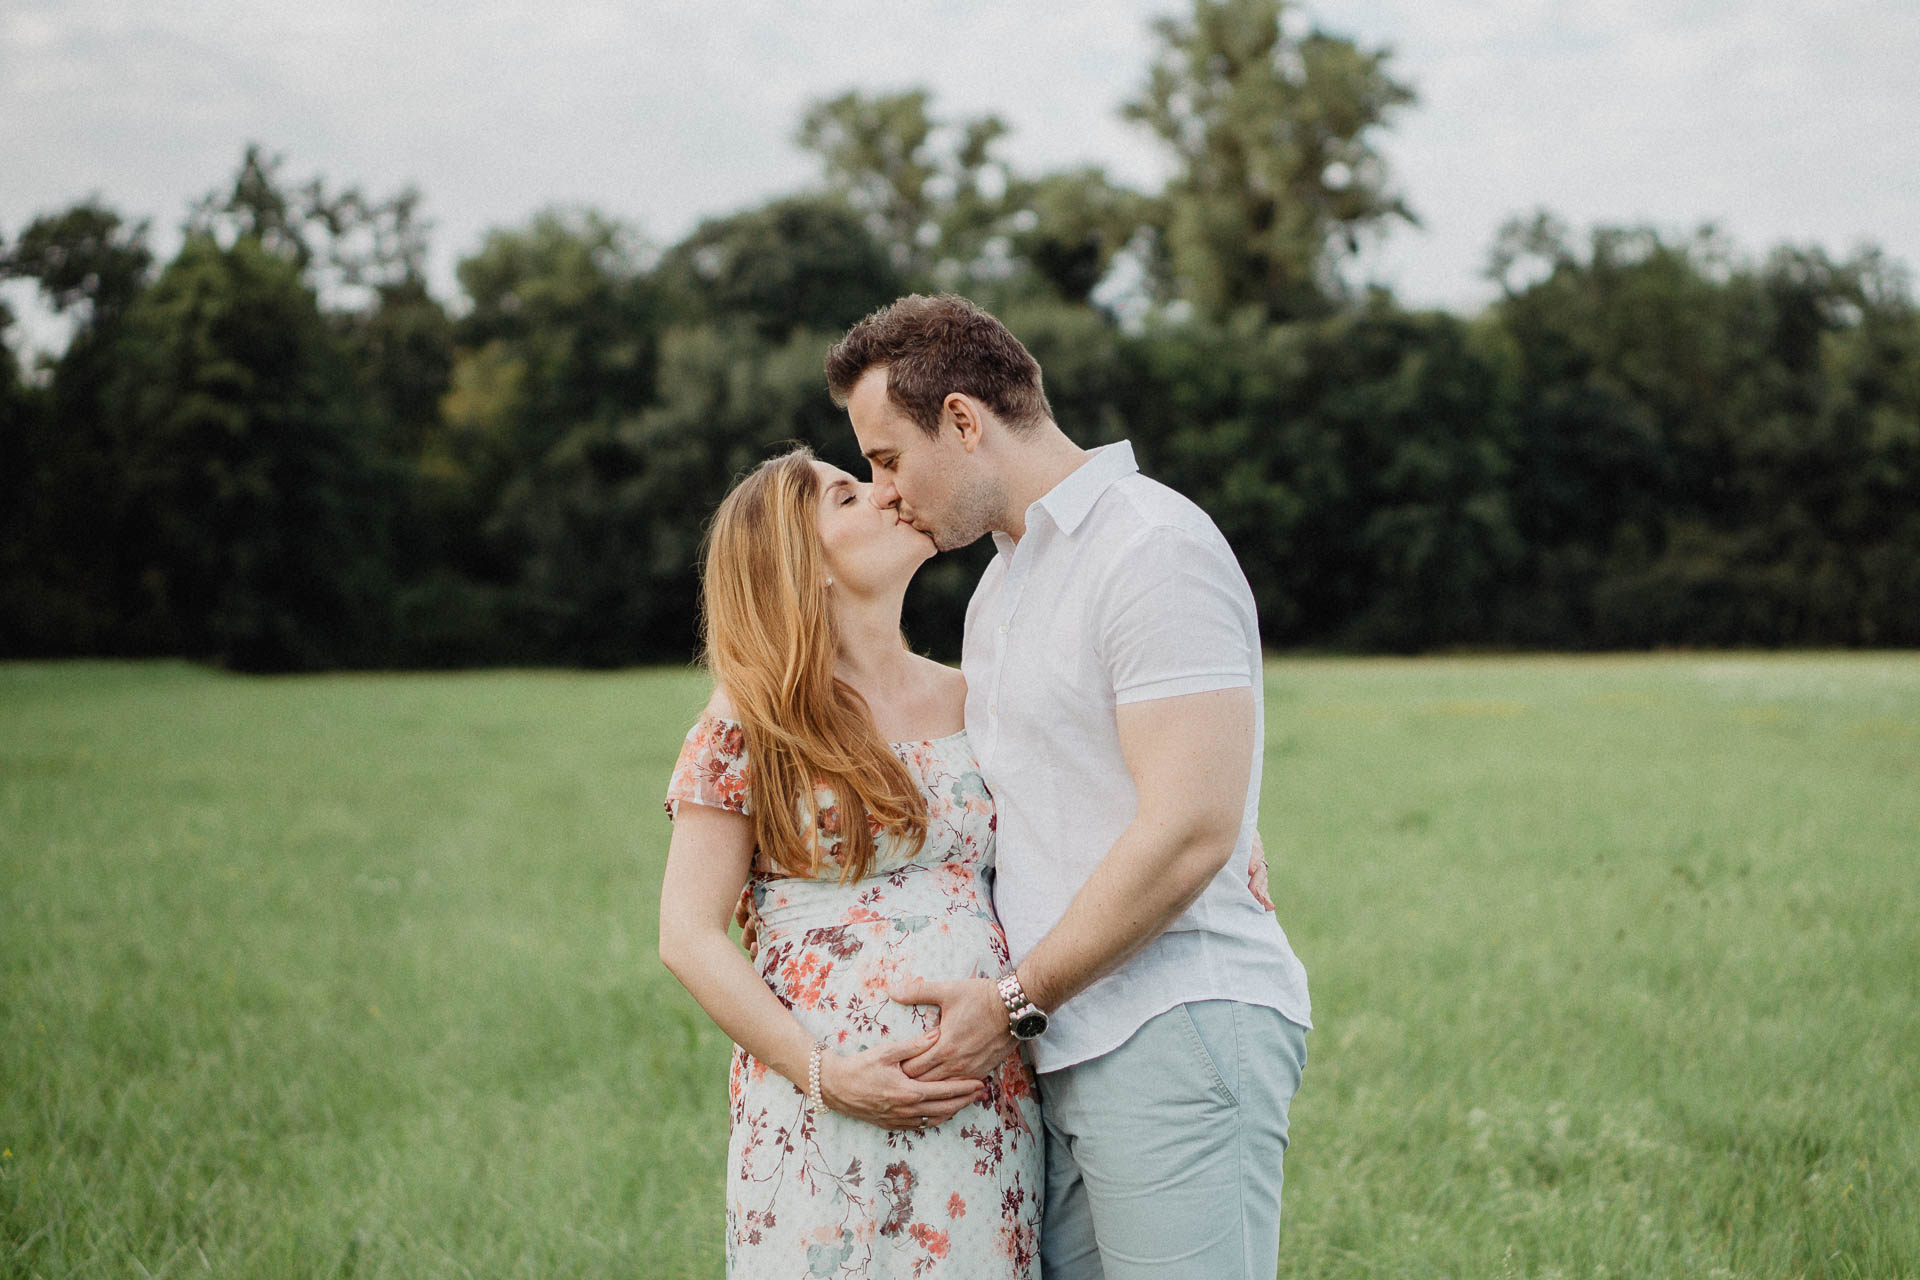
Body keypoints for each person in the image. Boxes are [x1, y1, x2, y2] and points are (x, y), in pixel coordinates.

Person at [825, 293, 1314, 1280]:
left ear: (964, 420)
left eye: (886, 458)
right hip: (1064, 1043)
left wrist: (1009, 999)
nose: (884, 491)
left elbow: (1188, 826)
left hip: (1172, 1021)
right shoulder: (1002, 588)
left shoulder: (1150, 547)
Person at [657, 448, 1042, 1277]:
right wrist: (826, 1074)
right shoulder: (751, 719)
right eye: (848, 493)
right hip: (824, 1112)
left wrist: (1234, 842)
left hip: (982, 1101)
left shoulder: (976, 695)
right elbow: (687, 935)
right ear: (802, 560)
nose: (887, 492)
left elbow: (1101, 792)